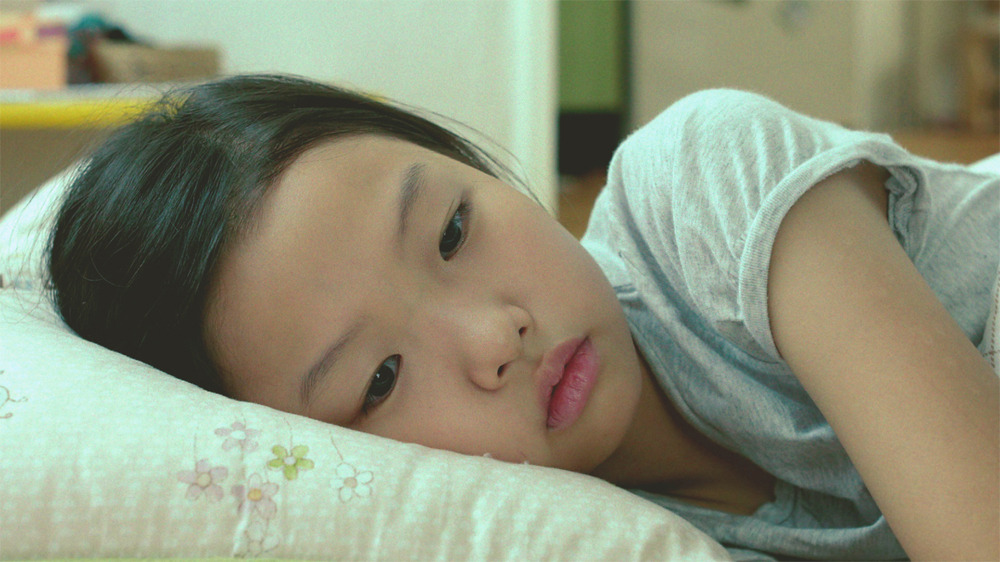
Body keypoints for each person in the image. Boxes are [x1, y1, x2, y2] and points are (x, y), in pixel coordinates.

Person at [47, 74, 998, 560]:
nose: (493, 337)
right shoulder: (565, 533)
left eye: (453, 231)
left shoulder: (703, 187)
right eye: (380, 378)